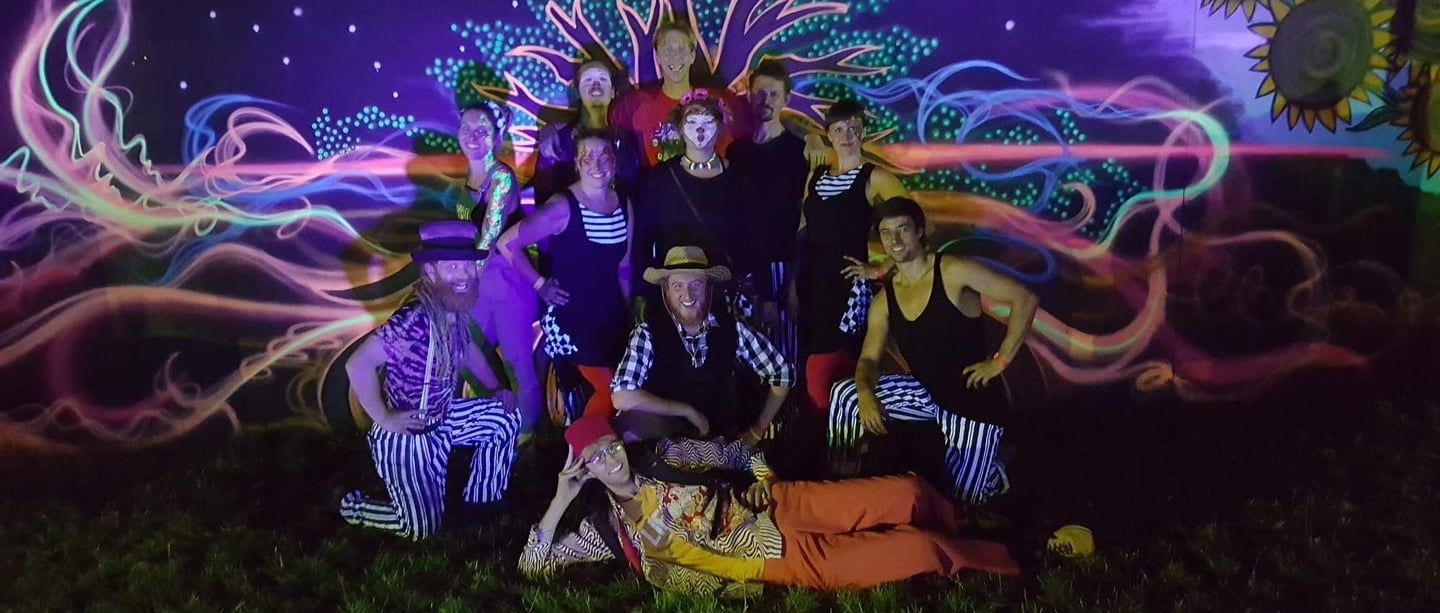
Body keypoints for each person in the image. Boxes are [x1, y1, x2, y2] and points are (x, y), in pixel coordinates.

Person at [516, 415, 1020, 595]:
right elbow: (532, 568)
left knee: (904, 494)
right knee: (915, 550)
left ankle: (958, 518)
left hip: (779, 507)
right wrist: (561, 501)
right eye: (596, 458)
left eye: (610, 446)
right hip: (768, 562)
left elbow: (738, 452)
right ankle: (1002, 559)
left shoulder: (665, 455)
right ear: (585, 470)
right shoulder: (608, 530)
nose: (610, 459)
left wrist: (766, 478)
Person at [829, 197, 1040, 504]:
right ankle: (840, 486)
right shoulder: (885, 300)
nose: (895, 239)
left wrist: (1000, 360)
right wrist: (864, 392)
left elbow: (1025, 298)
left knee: (961, 503)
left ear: (919, 231)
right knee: (844, 395)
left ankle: (996, 471)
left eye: (903, 229)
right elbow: (869, 358)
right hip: (925, 391)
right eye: (887, 233)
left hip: (970, 402)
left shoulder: (953, 270)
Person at [338, 220, 522, 540]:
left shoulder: (452, 309)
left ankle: (481, 505)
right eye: (452, 267)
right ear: (431, 271)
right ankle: (352, 507)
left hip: (444, 418)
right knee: (422, 529)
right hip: (411, 434)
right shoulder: (415, 320)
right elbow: (358, 365)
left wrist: (496, 388)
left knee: (505, 417)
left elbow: (466, 349)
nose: (463, 275)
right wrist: (384, 418)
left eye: (467, 266)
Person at [497, 128, 635, 420]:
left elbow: (624, 265)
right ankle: (580, 441)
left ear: (614, 160)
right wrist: (540, 284)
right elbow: (506, 244)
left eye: (604, 156)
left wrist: (630, 308)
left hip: (610, 317)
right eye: (587, 157)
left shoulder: (623, 202)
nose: (596, 164)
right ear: (576, 164)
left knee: (617, 391)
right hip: (570, 316)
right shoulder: (562, 207)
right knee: (604, 390)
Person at [793, 99, 910, 420]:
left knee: (834, 366)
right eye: (839, 129)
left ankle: (844, 434)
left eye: (854, 128)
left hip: (845, 288)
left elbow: (916, 223)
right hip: (810, 285)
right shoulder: (816, 176)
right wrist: (792, 284)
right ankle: (821, 435)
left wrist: (881, 268)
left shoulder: (875, 177)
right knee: (809, 366)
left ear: (863, 132)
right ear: (829, 133)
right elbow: (803, 230)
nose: (847, 136)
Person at [610, 246, 793, 445]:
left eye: (695, 284)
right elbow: (621, 395)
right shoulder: (648, 333)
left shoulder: (733, 329)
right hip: (665, 442)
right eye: (677, 286)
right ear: (666, 292)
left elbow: (782, 373)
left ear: (709, 288)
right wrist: (686, 411)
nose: (688, 295)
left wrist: (758, 430)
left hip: (719, 439)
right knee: (630, 427)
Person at [453, 99, 543, 435]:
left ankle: (526, 438)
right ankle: (500, 417)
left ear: (496, 136)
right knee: (461, 347)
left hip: (507, 282)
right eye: (466, 128)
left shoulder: (501, 177)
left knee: (519, 362)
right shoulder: (469, 175)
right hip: (480, 285)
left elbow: (489, 237)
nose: (473, 136)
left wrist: (460, 282)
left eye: (482, 130)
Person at [632, 91, 757, 313]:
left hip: (724, 297)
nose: (700, 129)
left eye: (708, 121)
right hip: (674, 298)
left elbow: (751, 242)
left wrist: (761, 294)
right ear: (680, 128)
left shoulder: (740, 181)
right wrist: (641, 292)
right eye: (692, 122)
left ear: (720, 127)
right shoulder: (659, 179)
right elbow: (641, 239)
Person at [727, 57, 808, 363]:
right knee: (746, 363)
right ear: (749, 96)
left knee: (784, 361)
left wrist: (793, 284)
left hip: (782, 271)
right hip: (743, 271)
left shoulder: (798, 152)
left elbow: (804, 220)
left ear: (786, 98)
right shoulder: (736, 152)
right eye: (760, 93)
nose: (766, 100)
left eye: (774, 93)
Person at [608, 18, 752, 167]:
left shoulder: (717, 103)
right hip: (658, 180)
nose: (675, 56)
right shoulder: (636, 104)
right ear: (658, 57)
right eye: (668, 50)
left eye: (681, 49)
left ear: (692, 56)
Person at [531, 58, 641, 207]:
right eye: (588, 79)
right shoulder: (558, 140)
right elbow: (544, 198)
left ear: (613, 91)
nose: (596, 85)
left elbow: (635, 192)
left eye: (603, 79)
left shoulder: (627, 141)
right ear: (577, 92)